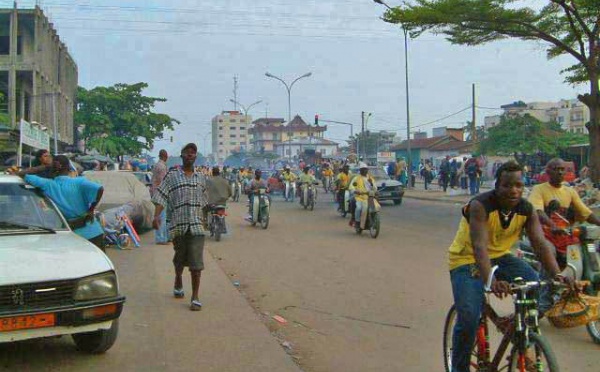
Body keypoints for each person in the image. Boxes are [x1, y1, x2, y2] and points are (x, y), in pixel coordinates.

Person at [448, 161, 570, 372]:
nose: (513, 190)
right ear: (497, 186)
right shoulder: (480, 205)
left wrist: (558, 275)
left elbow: (540, 244)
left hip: (501, 257)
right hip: (466, 259)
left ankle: (521, 335)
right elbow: (479, 247)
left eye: (518, 185)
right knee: (468, 318)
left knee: (535, 283)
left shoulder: (526, 209)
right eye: (507, 185)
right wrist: (491, 281)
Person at [152, 143, 208, 311]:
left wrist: (206, 219)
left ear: (195, 157)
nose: (190, 155)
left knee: (196, 264)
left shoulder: (201, 178)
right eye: (187, 153)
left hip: (197, 227)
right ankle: (178, 278)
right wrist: (156, 216)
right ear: (182, 156)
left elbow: (204, 201)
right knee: (179, 258)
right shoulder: (172, 176)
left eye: (193, 153)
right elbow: (161, 195)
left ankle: (195, 296)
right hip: (179, 225)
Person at [12, 155, 105, 250]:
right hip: (93, 232)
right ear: (69, 168)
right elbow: (100, 189)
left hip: (71, 237)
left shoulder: (47, 184)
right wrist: (91, 209)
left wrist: (45, 166)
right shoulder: (79, 182)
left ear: (53, 168)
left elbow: (20, 174)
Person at [528, 158, 600, 265]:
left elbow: (586, 212)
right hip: (545, 235)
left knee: (581, 255)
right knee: (549, 253)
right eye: (556, 169)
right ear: (548, 172)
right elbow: (538, 211)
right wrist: (552, 225)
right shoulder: (538, 189)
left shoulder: (570, 191)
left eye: (562, 169)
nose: (560, 172)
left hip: (565, 235)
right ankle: (551, 279)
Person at [348, 162, 375, 228]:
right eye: (363, 169)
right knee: (359, 208)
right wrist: (355, 191)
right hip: (359, 197)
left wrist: (371, 184)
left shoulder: (370, 179)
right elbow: (352, 187)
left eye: (366, 169)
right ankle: (357, 221)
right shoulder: (356, 178)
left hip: (369, 197)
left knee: (373, 208)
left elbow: (374, 188)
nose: (365, 171)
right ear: (360, 170)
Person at [151, 149, 169, 245]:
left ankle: (163, 237)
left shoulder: (157, 165)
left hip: (156, 193)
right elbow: (163, 182)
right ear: (165, 156)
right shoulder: (161, 167)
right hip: (160, 194)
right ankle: (160, 238)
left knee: (162, 216)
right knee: (161, 216)